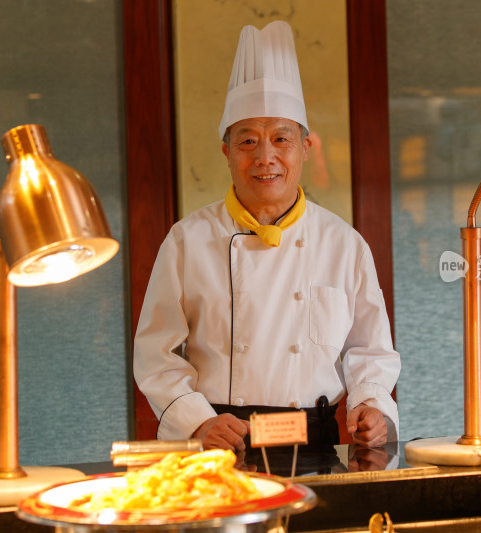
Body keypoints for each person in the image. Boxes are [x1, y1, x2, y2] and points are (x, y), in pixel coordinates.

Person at [133, 21, 400, 454]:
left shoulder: (344, 244)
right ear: (226, 152)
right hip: (220, 443)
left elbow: (369, 349)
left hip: (315, 447)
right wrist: (195, 420)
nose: (265, 157)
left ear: (305, 148)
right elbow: (155, 352)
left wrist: (371, 404)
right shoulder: (186, 241)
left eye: (281, 138)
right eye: (247, 141)